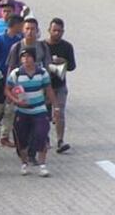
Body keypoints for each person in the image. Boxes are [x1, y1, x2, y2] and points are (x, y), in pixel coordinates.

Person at [7, 46, 61, 177]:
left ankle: (42, 165)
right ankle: (24, 163)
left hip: (39, 110)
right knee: (21, 139)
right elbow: (7, 89)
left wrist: (56, 107)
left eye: (29, 56)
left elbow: (49, 90)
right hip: (22, 111)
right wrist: (16, 100)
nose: (26, 59)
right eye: (23, 57)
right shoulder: (16, 74)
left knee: (41, 135)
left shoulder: (42, 73)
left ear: (34, 59)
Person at [45, 17, 76, 153]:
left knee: (59, 113)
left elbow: (72, 66)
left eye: (59, 31)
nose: (56, 33)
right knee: (43, 115)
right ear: (49, 30)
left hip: (59, 85)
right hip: (44, 86)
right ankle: (44, 139)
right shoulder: (42, 45)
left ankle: (60, 140)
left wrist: (63, 61)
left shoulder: (67, 46)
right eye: (54, 30)